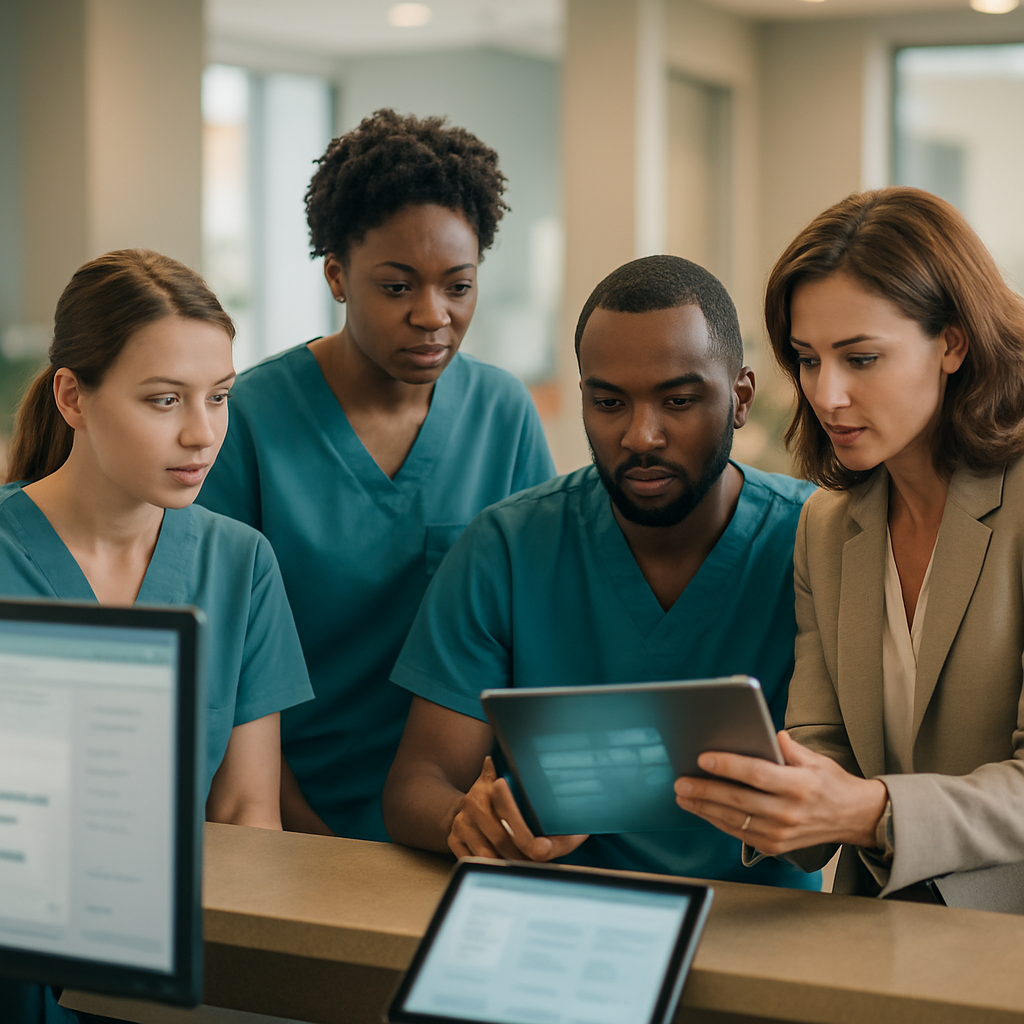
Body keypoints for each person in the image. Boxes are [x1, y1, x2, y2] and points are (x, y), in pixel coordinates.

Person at [382, 255, 819, 889]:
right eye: (609, 402)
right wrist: (468, 819)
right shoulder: (506, 548)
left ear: (741, 399)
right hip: (561, 914)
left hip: (765, 932)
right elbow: (417, 785)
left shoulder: (816, 542)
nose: (641, 436)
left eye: (678, 400)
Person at [197, 109, 555, 842]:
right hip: (284, 815)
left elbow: (537, 636)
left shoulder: (501, 412)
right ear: (337, 273)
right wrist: (303, 842)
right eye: (398, 287)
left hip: (465, 822)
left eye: (458, 286)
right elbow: (221, 669)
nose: (434, 315)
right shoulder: (250, 419)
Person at [673, 187, 1024, 907]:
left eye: (860, 358)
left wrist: (868, 810)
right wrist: (770, 796)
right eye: (807, 359)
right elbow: (823, 742)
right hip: (882, 933)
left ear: (952, 343)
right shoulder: (829, 525)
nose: (827, 394)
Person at [1, 249, 313, 1022]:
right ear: (73, 397)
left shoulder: (241, 564)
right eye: (165, 400)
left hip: (163, 984)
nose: (202, 434)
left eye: (219, 397)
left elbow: (247, 816)